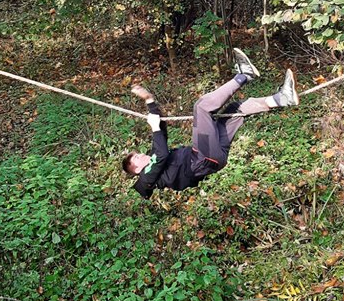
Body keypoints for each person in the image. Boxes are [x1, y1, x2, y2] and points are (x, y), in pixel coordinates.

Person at [122, 49, 299, 199]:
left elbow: (161, 132)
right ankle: (244, 75)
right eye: (136, 158)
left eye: (137, 154)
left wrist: (149, 100)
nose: (140, 155)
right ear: (136, 170)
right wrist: (154, 128)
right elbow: (160, 154)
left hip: (212, 157)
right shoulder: (146, 177)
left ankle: (282, 98)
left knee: (234, 110)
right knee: (201, 107)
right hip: (202, 158)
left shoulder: (154, 161)